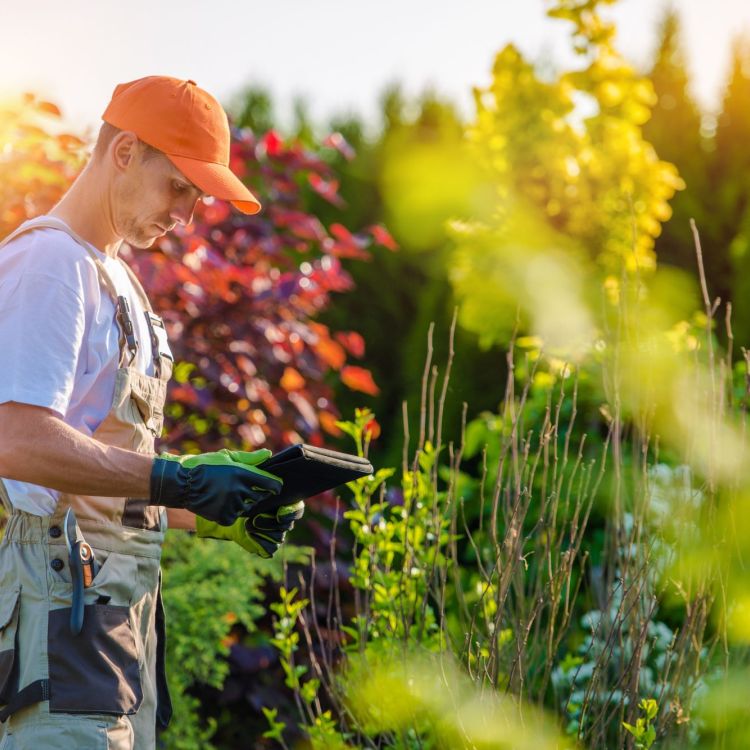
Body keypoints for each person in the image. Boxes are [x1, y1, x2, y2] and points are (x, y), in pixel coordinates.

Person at [0, 76, 304, 750]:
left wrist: (213, 509)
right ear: (126, 151)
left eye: (197, 199)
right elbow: (17, 445)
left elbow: (94, 494)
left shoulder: (116, 279)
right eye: (180, 189)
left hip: (109, 640)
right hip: (55, 635)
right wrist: (179, 478)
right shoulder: (50, 263)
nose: (186, 216)